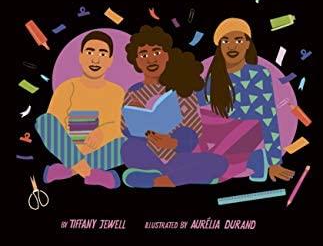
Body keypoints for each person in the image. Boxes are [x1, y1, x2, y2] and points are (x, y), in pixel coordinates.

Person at [121, 25, 228, 188]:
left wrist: (174, 142)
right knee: (129, 148)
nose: (151, 59)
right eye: (143, 54)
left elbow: (194, 129)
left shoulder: (182, 87)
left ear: (166, 56)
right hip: (148, 153)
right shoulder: (133, 92)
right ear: (136, 61)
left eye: (156, 52)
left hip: (177, 156)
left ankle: (157, 180)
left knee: (219, 163)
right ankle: (183, 177)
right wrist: (133, 118)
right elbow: (125, 129)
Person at [197, 18, 295, 182]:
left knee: (214, 167)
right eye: (225, 40)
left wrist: (275, 162)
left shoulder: (260, 74)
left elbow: (268, 117)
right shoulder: (214, 76)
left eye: (238, 39)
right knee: (193, 123)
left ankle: (251, 160)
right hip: (222, 128)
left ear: (248, 44)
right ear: (220, 47)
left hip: (247, 130)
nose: (232, 46)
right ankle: (252, 160)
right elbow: (198, 104)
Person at [35, 31, 126, 189]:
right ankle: (91, 173)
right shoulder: (67, 88)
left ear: (110, 60)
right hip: (68, 148)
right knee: (44, 121)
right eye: (90, 52)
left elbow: (119, 126)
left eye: (103, 53)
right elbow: (54, 121)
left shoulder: (117, 92)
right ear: (81, 56)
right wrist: (74, 147)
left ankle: (69, 170)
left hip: (102, 151)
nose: (95, 59)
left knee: (129, 143)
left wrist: (102, 133)